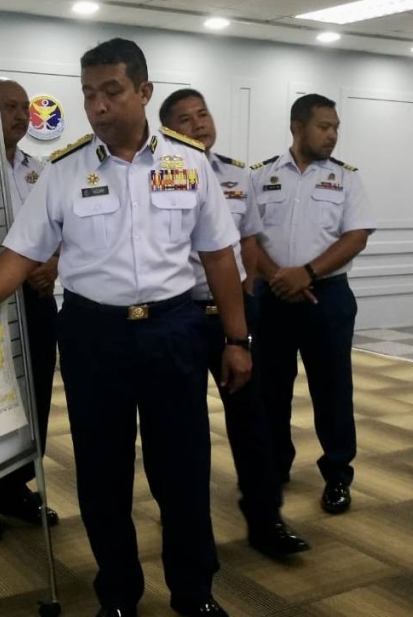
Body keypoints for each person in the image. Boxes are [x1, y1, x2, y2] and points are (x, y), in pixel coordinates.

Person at [0, 38, 250, 617]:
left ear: (144, 92)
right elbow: (22, 251)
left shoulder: (188, 162)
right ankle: (118, 596)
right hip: (93, 337)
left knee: (183, 472)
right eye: (89, 94)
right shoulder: (64, 171)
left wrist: (236, 338)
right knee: (102, 475)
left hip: (172, 332)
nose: (98, 106)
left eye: (112, 91)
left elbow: (220, 257)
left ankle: (194, 594)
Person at [159, 88, 309, 559]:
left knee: (252, 422)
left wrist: (243, 308)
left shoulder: (239, 175)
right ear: (167, 129)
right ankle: (182, 523)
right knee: (181, 431)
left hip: (234, 317)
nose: (199, 123)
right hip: (180, 316)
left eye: (203, 113)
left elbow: (247, 245)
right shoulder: (158, 178)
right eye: (185, 118)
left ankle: (266, 522)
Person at [250, 93, 375, 515]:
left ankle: (338, 474)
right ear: (298, 127)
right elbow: (247, 238)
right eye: (325, 126)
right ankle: (274, 466)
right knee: (270, 389)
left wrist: (307, 273)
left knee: (333, 389)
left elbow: (356, 237)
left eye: (336, 127)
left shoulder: (347, 179)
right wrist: (276, 276)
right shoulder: (261, 175)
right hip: (272, 297)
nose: (333, 135)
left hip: (327, 297)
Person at [0, 78, 60, 544]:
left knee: (35, 393)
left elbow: (62, 229)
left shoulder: (40, 170)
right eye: (10, 107)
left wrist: (55, 264)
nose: (21, 116)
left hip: (38, 298)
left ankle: (17, 486)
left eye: (25, 108)